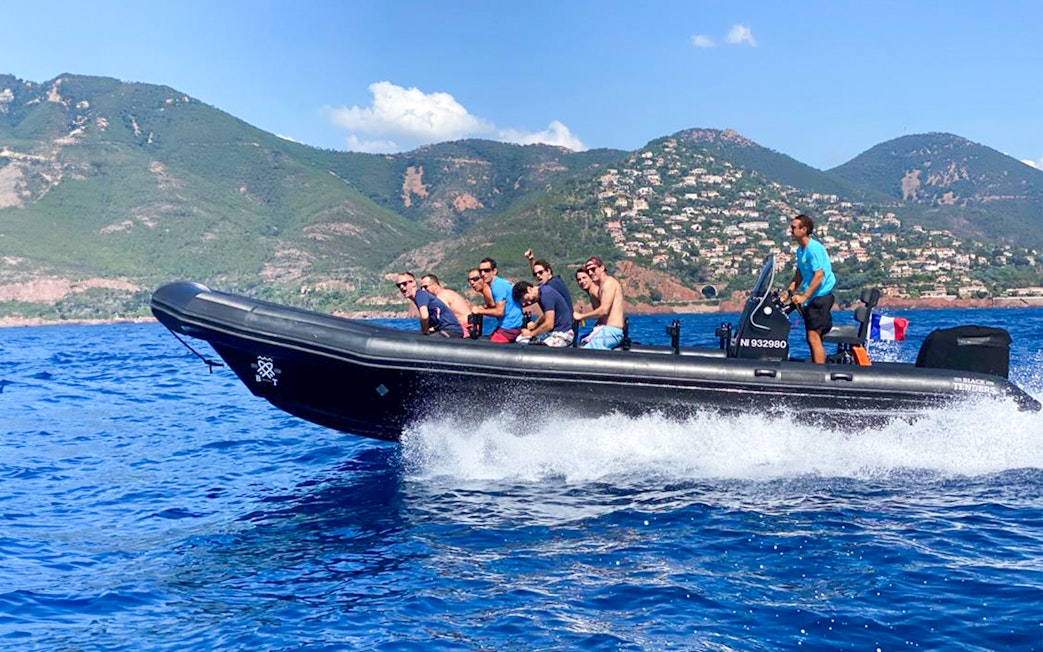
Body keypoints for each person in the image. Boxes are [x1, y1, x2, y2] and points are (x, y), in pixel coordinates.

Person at [783, 213, 836, 364]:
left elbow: (819, 276)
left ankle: (820, 373)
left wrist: (804, 297)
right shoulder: (801, 250)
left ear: (804, 229)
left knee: (813, 335)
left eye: (793, 228)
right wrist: (787, 293)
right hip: (812, 298)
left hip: (820, 298)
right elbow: (799, 274)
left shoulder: (814, 248)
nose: (790, 230)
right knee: (810, 336)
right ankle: (815, 366)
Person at [573, 256, 625, 350]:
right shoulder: (601, 286)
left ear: (602, 268)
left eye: (593, 269)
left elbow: (603, 310)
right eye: (588, 270)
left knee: (586, 352)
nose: (590, 273)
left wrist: (581, 316)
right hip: (606, 329)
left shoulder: (609, 283)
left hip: (613, 331)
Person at [470, 257, 524, 343]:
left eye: (486, 270)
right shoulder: (496, 284)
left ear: (494, 271)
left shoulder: (497, 286)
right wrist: (484, 309)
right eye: (481, 271)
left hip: (509, 327)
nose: (483, 274)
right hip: (507, 325)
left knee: (489, 350)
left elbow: (499, 312)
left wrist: (479, 311)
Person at [395, 272, 464, 338]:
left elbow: (424, 316)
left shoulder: (420, 295)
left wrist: (424, 332)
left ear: (413, 283)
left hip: (451, 331)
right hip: (447, 330)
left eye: (404, 284)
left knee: (420, 341)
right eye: (398, 285)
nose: (401, 287)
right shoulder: (420, 297)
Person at [512, 280, 574, 347]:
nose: (529, 303)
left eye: (528, 299)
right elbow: (547, 314)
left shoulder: (546, 294)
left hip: (563, 334)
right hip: (554, 333)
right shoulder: (541, 293)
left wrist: (530, 334)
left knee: (539, 348)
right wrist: (535, 325)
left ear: (529, 289)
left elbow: (549, 325)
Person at [420, 274, 473, 338]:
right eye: (421, 288)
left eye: (425, 287)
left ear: (435, 285)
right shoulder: (446, 293)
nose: (423, 290)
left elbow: (442, 318)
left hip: (464, 329)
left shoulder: (441, 296)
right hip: (467, 327)